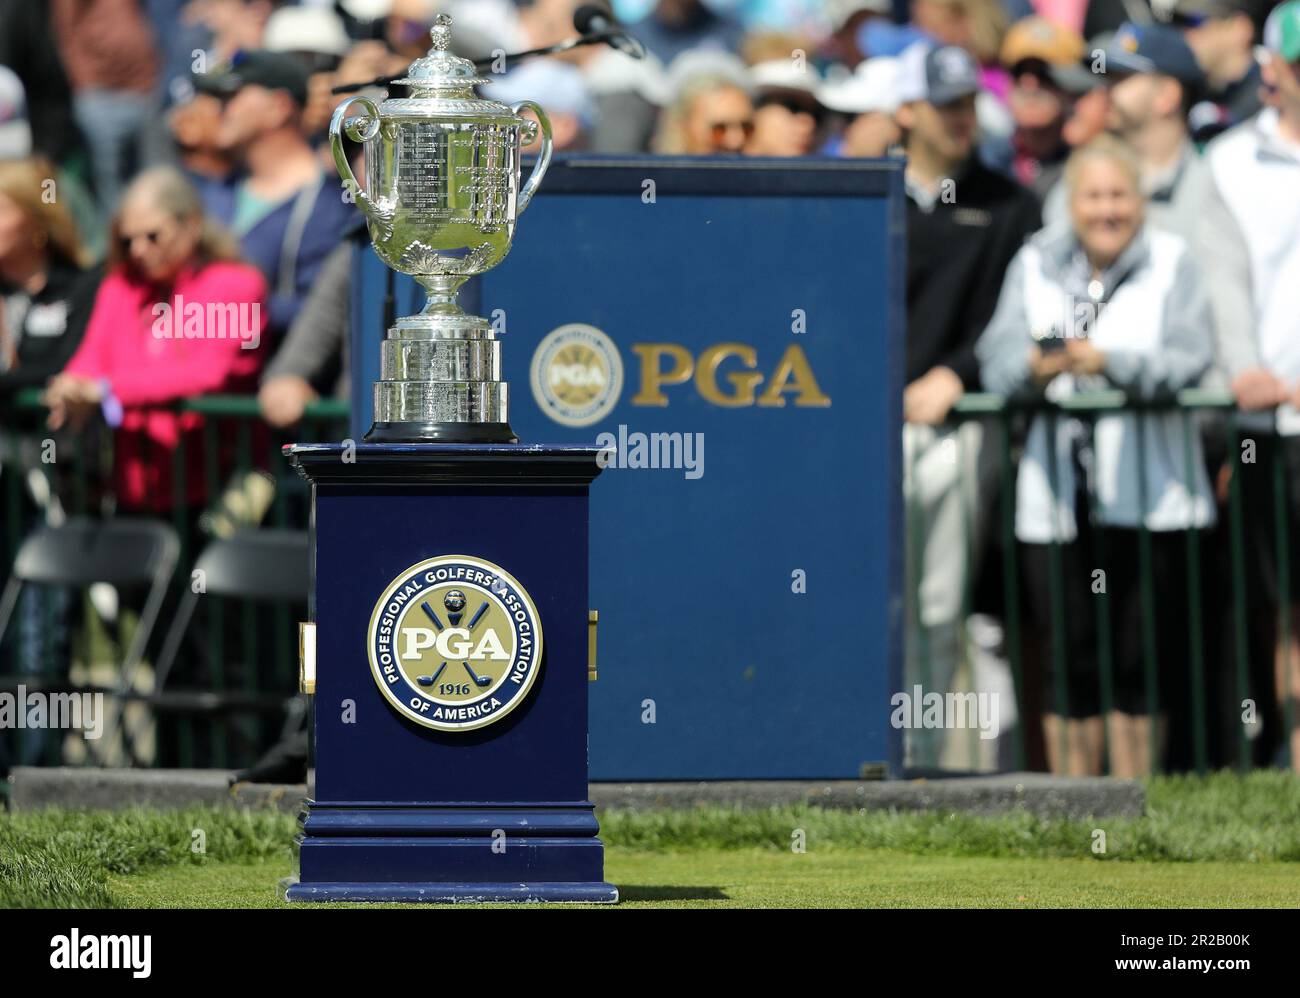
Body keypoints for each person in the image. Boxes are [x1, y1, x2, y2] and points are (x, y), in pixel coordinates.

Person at [977, 135, 1216, 777]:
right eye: (1093, 195)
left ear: (1140, 201)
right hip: (1056, 492)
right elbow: (995, 366)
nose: (1107, 209)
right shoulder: (1035, 260)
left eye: (1119, 195)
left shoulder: (1173, 259)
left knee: (1140, 653)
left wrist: (1110, 363)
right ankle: (1072, 805)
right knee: (1068, 653)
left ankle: (1135, 803)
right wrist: (1040, 365)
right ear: (1070, 203)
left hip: (1150, 490)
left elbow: (1190, 357)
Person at [895, 42, 1041, 769]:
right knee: (871, 601)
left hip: (955, 425)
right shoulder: (869, 191)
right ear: (907, 111)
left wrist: (957, 371)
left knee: (940, 608)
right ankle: (876, 757)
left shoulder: (1007, 200)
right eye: (945, 104)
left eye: (967, 103)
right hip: (863, 429)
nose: (961, 117)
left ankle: (938, 767)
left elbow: (1011, 316)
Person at [43, 166, 267, 515]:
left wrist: (104, 389)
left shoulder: (235, 284)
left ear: (191, 225)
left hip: (210, 483)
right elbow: (91, 356)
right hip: (130, 484)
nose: (138, 250)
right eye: (127, 239)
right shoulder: (121, 285)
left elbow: (208, 373)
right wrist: (70, 384)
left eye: (152, 236)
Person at [1206, 0, 1300, 771]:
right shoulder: (1230, 161)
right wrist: (1243, 374)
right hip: (1267, 426)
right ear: (1271, 70)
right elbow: (1221, 286)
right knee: (1279, 609)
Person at [196, 50, 357, 345]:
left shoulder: (329, 205)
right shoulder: (214, 194)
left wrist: (237, 310)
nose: (220, 109)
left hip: (275, 376)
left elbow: (325, 312)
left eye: (231, 96)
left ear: (278, 106)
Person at [0, 158, 98, 396]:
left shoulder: (83, 287)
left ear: (36, 221)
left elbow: (68, 365)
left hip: (53, 431)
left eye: (2, 211)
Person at [998, 17, 1086, 197]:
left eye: (1043, 74)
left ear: (1072, 87)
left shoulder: (1088, 169)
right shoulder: (987, 161)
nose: (1029, 85)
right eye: (1019, 72)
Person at [1174, 0, 1267, 143]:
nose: (1186, 34)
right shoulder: (1190, 99)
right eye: (1180, 24)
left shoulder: (1281, 89)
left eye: (1196, 22)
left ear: (1240, 28)